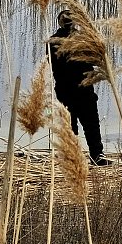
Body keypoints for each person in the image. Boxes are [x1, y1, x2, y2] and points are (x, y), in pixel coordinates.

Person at [48, 9, 110, 166]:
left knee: (72, 125)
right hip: (80, 89)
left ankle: (72, 157)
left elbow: (51, 65)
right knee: (89, 124)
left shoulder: (53, 41)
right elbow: (95, 60)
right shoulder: (79, 39)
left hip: (68, 90)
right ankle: (95, 156)